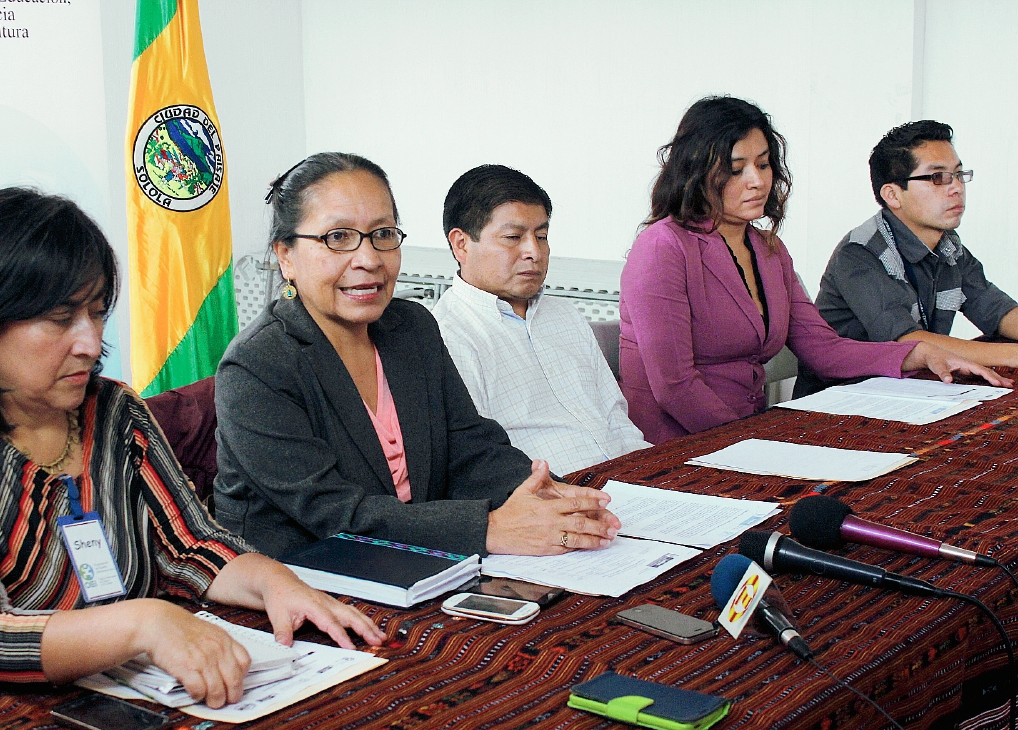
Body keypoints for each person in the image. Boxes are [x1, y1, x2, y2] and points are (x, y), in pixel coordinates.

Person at [0, 188, 382, 722]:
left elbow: (189, 546)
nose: (90, 343)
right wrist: (143, 624)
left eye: (96, 314)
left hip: (102, 689)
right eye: (59, 319)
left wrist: (273, 581)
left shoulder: (112, 411)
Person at [212, 153, 622, 559]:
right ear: (286, 256)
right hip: (300, 577)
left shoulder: (410, 328)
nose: (369, 259)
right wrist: (490, 529)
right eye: (338, 238)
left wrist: (551, 495)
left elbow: (470, 446)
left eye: (383, 234)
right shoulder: (257, 366)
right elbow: (332, 513)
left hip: (420, 557)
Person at [618, 97, 1007, 445]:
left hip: (747, 434)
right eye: (736, 169)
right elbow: (675, 386)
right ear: (697, 171)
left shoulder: (768, 249)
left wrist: (920, 354)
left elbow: (823, 348)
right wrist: (753, 444)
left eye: (764, 164)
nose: (758, 181)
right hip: (676, 447)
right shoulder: (663, 247)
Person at [433, 164, 649, 475]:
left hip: (626, 482)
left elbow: (617, 420)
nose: (533, 251)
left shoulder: (565, 316)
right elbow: (481, 462)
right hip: (549, 500)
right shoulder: (448, 335)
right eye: (513, 237)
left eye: (542, 235)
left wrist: (652, 476)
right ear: (461, 244)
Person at [798, 120, 1018, 396]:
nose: (957, 188)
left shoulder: (949, 245)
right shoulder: (860, 253)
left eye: (959, 174)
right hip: (843, 397)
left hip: (916, 387)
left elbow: (999, 311)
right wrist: (1011, 355)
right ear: (892, 194)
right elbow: (909, 341)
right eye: (938, 178)